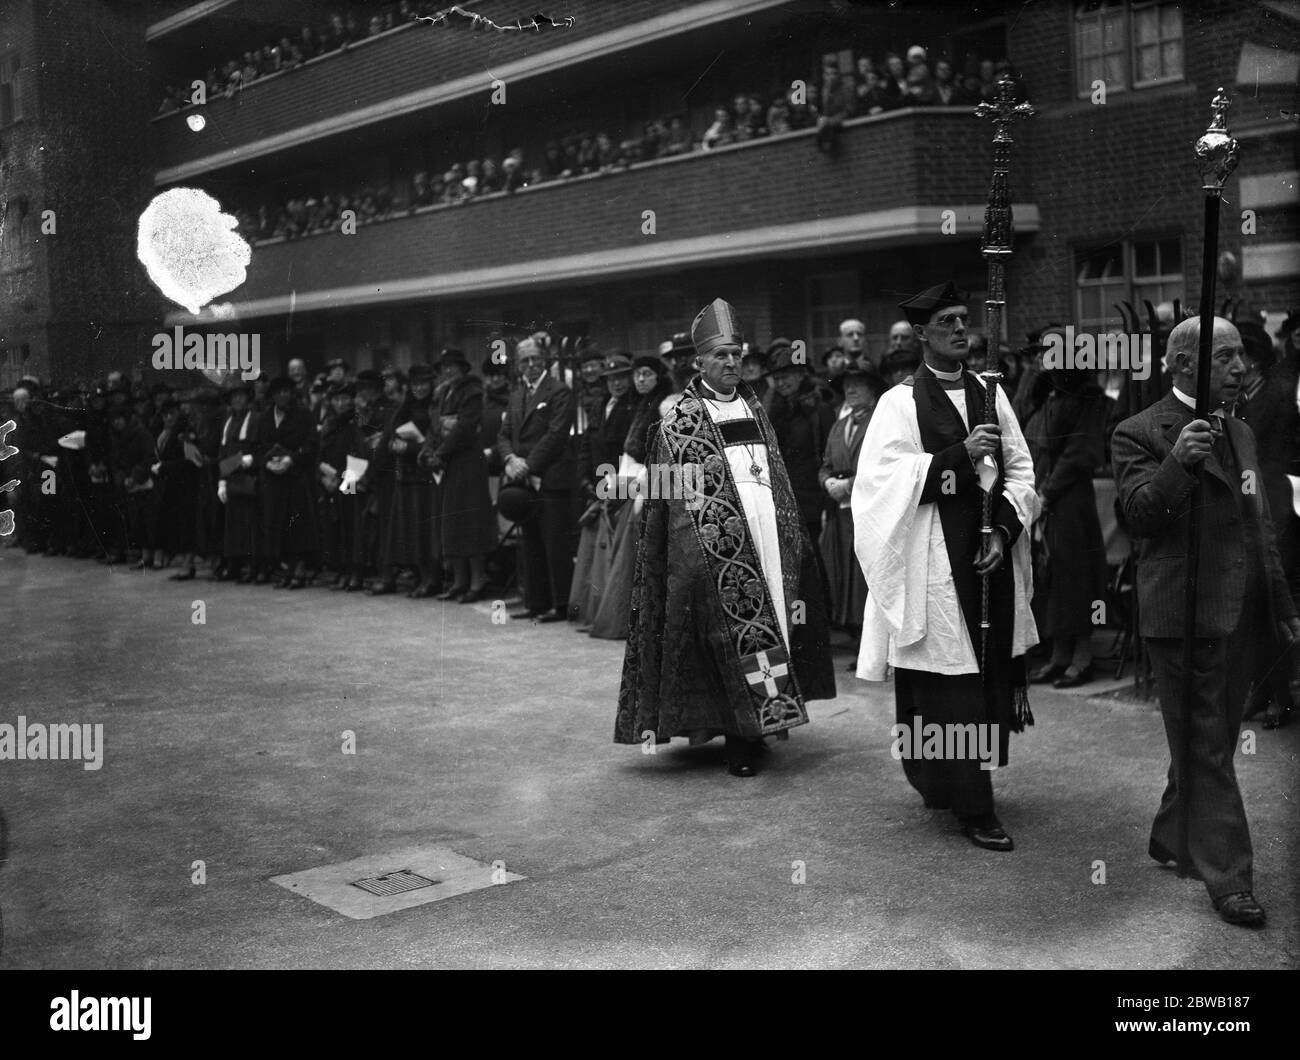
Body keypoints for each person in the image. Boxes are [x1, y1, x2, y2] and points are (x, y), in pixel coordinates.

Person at [1111, 316, 1300, 928]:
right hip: (1181, 614)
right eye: (1224, 358)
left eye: (1241, 355)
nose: (1240, 367)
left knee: (1208, 736)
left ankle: (1171, 831)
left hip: (1241, 610)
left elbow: (1259, 526)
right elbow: (1140, 517)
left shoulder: (1241, 431)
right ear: (1183, 365)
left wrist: (1282, 606)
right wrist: (1178, 465)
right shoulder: (1140, 431)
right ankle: (1230, 879)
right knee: (1208, 746)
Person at [614, 298, 836, 777]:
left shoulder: (759, 409)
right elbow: (666, 501)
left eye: (736, 354)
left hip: (769, 539)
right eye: (721, 356)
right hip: (715, 550)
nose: (731, 362)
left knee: (770, 624)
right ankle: (739, 736)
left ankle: (765, 721)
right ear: (700, 362)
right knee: (727, 634)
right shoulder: (680, 421)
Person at [853, 282, 1039, 851]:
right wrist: (958, 456)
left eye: (965, 320)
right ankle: (972, 804)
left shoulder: (991, 392)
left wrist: (1004, 532)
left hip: (986, 559)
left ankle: (961, 785)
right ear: (923, 337)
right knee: (947, 686)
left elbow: (1023, 472)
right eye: (948, 323)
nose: (962, 330)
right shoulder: (900, 402)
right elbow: (882, 486)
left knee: (980, 681)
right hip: (933, 558)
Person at [1022, 333, 1109, 688]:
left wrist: (1048, 493)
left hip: (1070, 498)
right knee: (1049, 575)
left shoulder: (1089, 398)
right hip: (1044, 492)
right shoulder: (1045, 395)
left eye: (1049, 352)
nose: (1042, 358)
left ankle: (1083, 656)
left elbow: (1079, 453)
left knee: (1076, 575)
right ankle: (1059, 654)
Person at [588, 355, 673, 641]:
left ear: (658, 377)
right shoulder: (640, 403)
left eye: (647, 374)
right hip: (632, 478)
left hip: (652, 482)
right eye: (638, 375)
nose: (641, 380)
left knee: (635, 548)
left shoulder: (666, 404)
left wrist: (633, 484)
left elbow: (663, 453)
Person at [496, 337, 576, 621]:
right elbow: (503, 434)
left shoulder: (559, 391)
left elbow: (555, 435)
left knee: (554, 541)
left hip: (551, 475)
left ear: (545, 361)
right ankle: (537, 602)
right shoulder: (517, 394)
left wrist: (527, 466)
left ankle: (561, 603)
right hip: (525, 477)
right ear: (518, 365)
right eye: (525, 361)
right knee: (530, 540)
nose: (531, 366)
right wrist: (509, 459)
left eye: (536, 360)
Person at [422, 348, 496, 602]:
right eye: (444, 367)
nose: (447, 370)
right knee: (452, 524)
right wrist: (429, 450)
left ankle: (477, 582)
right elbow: (434, 425)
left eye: (452, 365)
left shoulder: (472, 391)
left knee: (470, 523)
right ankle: (459, 581)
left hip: (467, 464)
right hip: (450, 463)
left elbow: (465, 427)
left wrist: (440, 451)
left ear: (463, 368)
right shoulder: (443, 393)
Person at [819, 363, 885, 643]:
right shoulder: (839, 426)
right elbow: (825, 465)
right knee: (843, 572)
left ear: (872, 389)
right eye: (846, 384)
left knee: (866, 574)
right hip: (841, 512)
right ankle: (856, 637)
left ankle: (874, 642)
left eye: (858, 383)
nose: (850, 389)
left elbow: (884, 466)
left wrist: (851, 484)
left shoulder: (881, 422)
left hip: (871, 510)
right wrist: (828, 483)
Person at [570, 352, 636, 626]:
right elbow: (586, 446)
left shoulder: (633, 408)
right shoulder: (599, 405)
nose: (617, 384)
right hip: (597, 487)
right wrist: (586, 482)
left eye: (621, 378)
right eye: (612, 379)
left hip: (620, 488)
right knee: (594, 555)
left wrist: (613, 487)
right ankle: (593, 611)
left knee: (613, 554)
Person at [370, 363, 438, 597]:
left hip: (426, 474)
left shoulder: (434, 407)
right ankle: (419, 576)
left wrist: (408, 447)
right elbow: (389, 438)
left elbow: (435, 441)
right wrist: (392, 445)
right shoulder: (404, 407)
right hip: (405, 476)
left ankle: (430, 578)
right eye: (416, 384)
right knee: (408, 529)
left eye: (424, 384)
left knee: (425, 529)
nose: (420, 388)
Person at [256, 375, 320, 588]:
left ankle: (300, 568)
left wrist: (291, 459)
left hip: (296, 476)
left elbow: (311, 444)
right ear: (272, 395)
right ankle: (287, 567)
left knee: (298, 524)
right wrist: (266, 463)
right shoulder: (264, 417)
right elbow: (258, 446)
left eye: (286, 391)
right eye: (278, 392)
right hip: (273, 478)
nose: (283, 395)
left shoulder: (303, 415)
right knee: (278, 523)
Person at [215, 382, 263, 582]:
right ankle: (234, 565)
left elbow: (262, 448)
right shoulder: (228, 423)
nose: (237, 400)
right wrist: (222, 482)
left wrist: (249, 459)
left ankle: (253, 567)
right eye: (234, 396)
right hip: (233, 478)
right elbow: (223, 455)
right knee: (233, 526)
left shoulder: (257, 420)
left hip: (251, 478)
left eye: (241, 396)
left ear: (248, 398)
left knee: (251, 526)